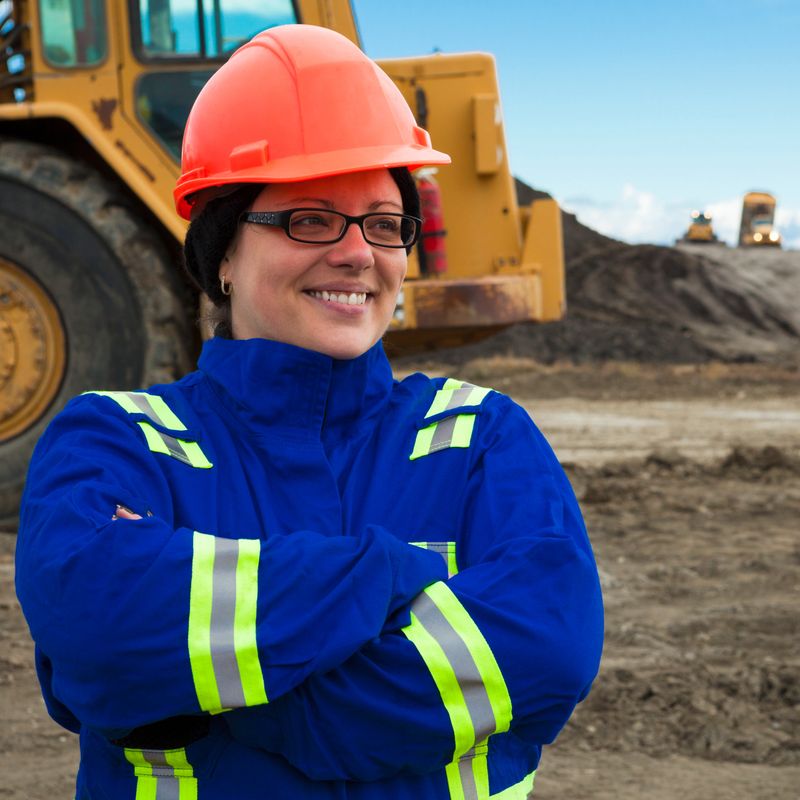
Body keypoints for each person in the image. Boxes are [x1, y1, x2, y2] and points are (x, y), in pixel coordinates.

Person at [16, 24, 603, 800]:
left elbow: (549, 648)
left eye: (385, 224)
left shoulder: (482, 439)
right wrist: (384, 572)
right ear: (222, 254)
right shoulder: (115, 441)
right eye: (310, 219)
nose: (358, 252)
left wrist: (251, 707)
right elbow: (97, 632)